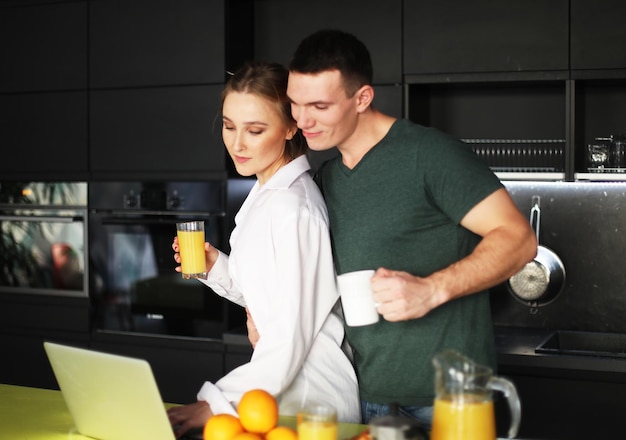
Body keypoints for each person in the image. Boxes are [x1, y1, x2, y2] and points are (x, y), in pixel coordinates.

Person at [284, 29, 538, 429]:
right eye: (295, 104)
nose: (302, 120)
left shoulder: (430, 155)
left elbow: (519, 240)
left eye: (319, 105)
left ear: (362, 98)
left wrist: (431, 289)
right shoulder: (326, 179)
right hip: (365, 395)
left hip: (447, 399)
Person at [166, 61, 360, 438]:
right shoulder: (266, 195)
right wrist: (215, 266)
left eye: (255, 130)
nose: (237, 143)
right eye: (228, 126)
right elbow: (267, 297)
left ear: (291, 127)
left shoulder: (293, 207)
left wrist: (214, 403)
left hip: (311, 399)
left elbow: (288, 334)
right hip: (276, 389)